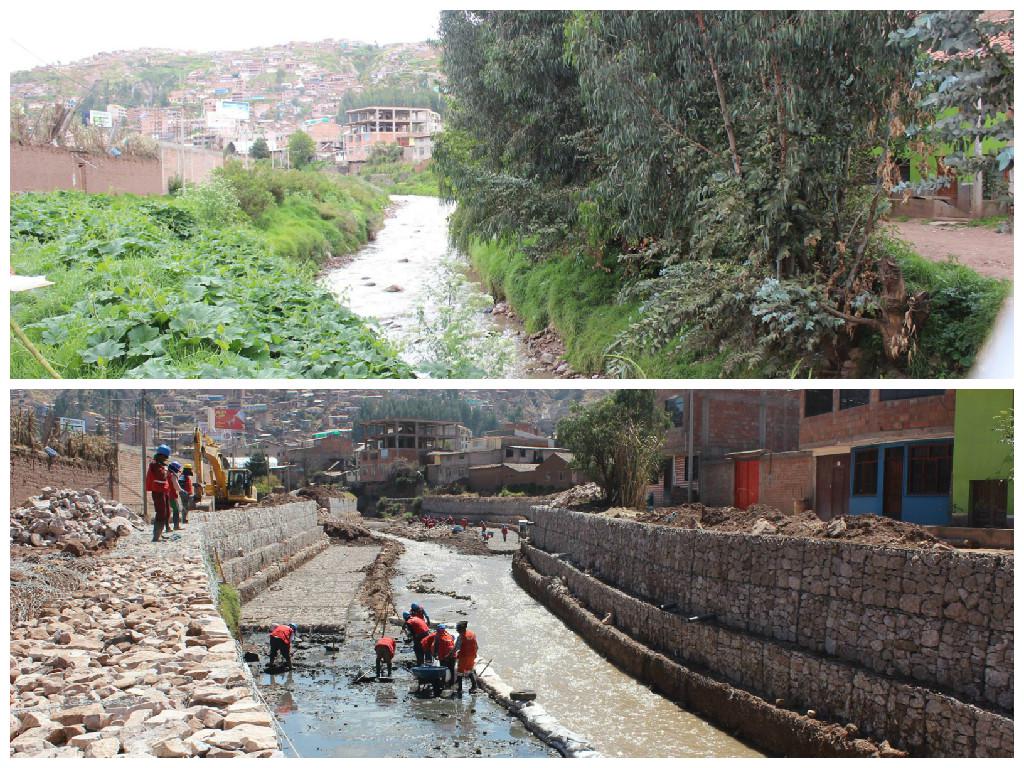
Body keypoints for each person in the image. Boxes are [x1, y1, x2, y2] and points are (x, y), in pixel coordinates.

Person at [145, 445, 171, 542]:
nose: (165, 459)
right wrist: (166, 471)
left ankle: (160, 533)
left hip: (162, 491)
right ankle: (156, 536)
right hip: (158, 492)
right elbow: (162, 476)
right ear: (160, 456)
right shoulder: (155, 465)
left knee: (165, 512)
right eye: (164, 457)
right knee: (161, 513)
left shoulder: (158, 465)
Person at [454, 620, 479, 695]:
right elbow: (477, 646)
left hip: (463, 657)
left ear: (461, 629)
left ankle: (459, 689)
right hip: (472, 656)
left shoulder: (460, 637)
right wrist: (474, 654)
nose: (456, 629)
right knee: (470, 670)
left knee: (460, 672)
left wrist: (449, 654)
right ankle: (474, 687)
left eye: (457, 628)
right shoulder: (472, 634)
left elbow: (456, 648)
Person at [166, 462, 184, 531]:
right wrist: (182, 491)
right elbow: (176, 486)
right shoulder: (173, 476)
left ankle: (167, 527)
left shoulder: (165, 474)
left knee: (167, 511)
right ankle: (176, 526)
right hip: (172, 496)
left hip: (165, 495)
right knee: (176, 510)